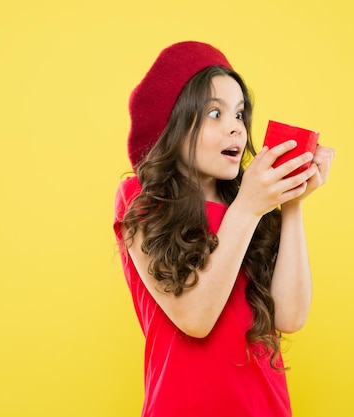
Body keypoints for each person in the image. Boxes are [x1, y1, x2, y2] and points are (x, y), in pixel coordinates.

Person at [113, 41, 334, 416]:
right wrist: (250, 206)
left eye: (239, 114)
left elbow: (290, 317)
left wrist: (291, 201)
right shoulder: (141, 198)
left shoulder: (252, 206)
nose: (236, 128)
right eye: (215, 113)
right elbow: (195, 319)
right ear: (175, 123)